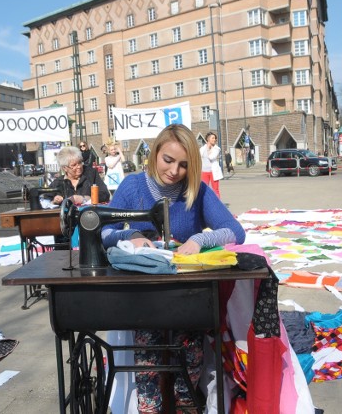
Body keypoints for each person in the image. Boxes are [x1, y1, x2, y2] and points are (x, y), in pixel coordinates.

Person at [101, 124, 245, 413]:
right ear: (155, 153)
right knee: (148, 353)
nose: (175, 171)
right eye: (168, 160)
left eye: (184, 165)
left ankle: (186, 403)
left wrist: (200, 238)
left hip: (184, 290)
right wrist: (130, 236)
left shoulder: (197, 191)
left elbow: (235, 231)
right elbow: (104, 231)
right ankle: (149, 407)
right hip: (144, 292)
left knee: (188, 350)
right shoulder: (132, 186)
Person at [45, 146, 110, 207]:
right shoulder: (58, 183)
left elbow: (105, 194)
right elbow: (45, 200)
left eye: (79, 162)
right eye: (74, 165)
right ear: (65, 168)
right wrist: (54, 201)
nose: (78, 166)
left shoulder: (91, 174)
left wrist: (84, 199)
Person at [199, 131, 222, 197]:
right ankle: (205, 205)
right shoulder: (202, 149)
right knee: (204, 189)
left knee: (215, 190)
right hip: (204, 172)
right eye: (213, 138)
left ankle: (217, 205)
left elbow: (211, 157)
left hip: (213, 172)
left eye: (215, 138)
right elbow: (199, 158)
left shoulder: (217, 149)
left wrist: (209, 149)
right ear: (208, 139)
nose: (214, 139)